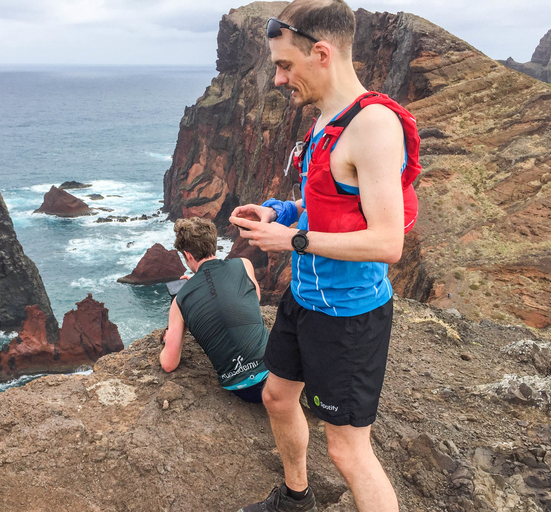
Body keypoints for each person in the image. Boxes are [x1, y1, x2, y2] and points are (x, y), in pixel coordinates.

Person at [229, 1, 421, 511]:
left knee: (349, 451)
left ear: (321, 53)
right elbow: (325, 201)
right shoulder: (325, 119)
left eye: (284, 65)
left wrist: (292, 243)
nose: (277, 79)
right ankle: (296, 499)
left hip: (349, 316)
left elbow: (387, 243)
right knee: (275, 396)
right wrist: (280, 213)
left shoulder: (374, 126)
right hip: (305, 299)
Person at [159, 217, 269, 403]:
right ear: (213, 244)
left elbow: (169, 364)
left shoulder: (180, 300)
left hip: (244, 390)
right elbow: (254, 299)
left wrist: (174, 331)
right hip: (276, 373)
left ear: (188, 255)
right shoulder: (243, 264)